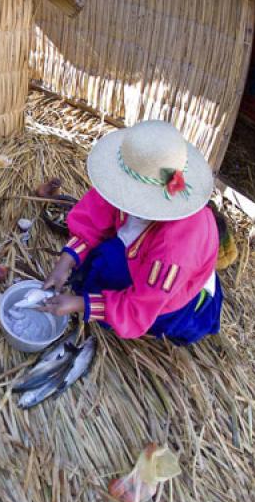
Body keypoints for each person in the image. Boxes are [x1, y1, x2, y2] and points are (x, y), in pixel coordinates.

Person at [39, 120, 223, 345]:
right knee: (102, 260)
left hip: (166, 296)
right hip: (143, 255)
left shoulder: (174, 249)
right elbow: (96, 213)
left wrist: (81, 304)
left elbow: (139, 306)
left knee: (105, 270)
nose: (122, 197)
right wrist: (65, 261)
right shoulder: (133, 178)